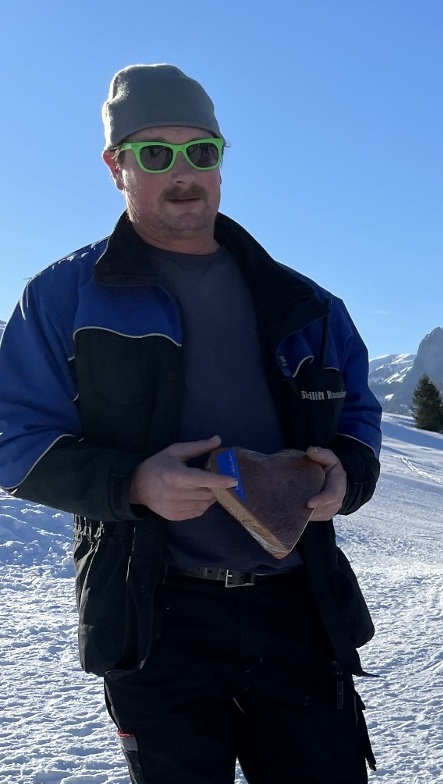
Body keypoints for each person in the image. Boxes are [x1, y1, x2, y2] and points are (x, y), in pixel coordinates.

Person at [0, 64, 381, 782]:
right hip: (156, 616)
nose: (184, 173)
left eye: (201, 152)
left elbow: (358, 417)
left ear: (221, 160)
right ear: (116, 166)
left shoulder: (305, 304)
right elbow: (11, 440)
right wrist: (134, 483)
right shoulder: (61, 299)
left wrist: (345, 475)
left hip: (298, 609)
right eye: (156, 154)